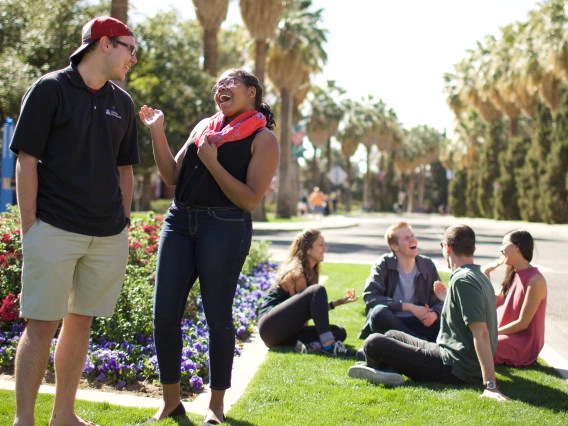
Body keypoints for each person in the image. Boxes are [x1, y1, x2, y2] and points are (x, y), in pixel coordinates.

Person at [9, 16, 139, 426]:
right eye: (129, 48)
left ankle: (63, 415)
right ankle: (24, 421)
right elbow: (26, 161)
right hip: (54, 228)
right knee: (41, 325)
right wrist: (30, 228)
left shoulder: (123, 102)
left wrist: (124, 222)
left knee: (80, 323)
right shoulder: (50, 89)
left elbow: (126, 171)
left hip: (106, 234)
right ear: (103, 44)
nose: (133, 58)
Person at [138, 69, 280, 425]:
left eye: (229, 83)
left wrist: (213, 163)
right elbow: (171, 176)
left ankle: (215, 407)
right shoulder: (205, 128)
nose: (221, 88)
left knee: (217, 316)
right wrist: (157, 130)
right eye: (218, 85)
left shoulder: (264, 139)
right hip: (180, 222)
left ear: (252, 92)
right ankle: (171, 402)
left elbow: (249, 200)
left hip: (226, 226)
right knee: (164, 313)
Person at [349, 225, 509, 402]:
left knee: (373, 342)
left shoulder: (462, 279)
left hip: (454, 368)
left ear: (447, 247)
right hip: (447, 354)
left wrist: (490, 385)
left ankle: (380, 364)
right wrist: (445, 298)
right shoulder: (476, 275)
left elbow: (481, 332)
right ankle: (383, 363)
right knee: (391, 335)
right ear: (473, 249)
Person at [258, 229, 358, 356]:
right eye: (321, 245)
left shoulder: (311, 272)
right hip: (270, 327)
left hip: (283, 333)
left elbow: (307, 313)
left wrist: (337, 303)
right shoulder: (297, 273)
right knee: (317, 290)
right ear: (308, 249)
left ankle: (313, 346)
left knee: (339, 331)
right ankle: (328, 346)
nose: (325, 249)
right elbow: (303, 315)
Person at [359, 222, 442, 343]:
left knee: (451, 321)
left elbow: (439, 300)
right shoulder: (383, 264)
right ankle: (421, 344)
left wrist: (434, 314)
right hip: (393, 322)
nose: (413, 240)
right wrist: (410, 308)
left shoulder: (427, 265)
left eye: (412, 235)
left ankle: (412, 344)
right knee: (378, 314)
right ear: (394, 247)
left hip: (419, 323)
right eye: (406, 238)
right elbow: (370, 297)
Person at [483, 230, 547, 366]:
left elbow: (522, 323)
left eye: (504, 244)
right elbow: (492, 303)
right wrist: (486, 273)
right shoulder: (513, 273)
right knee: (474, 342)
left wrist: (492, 333)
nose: (501, 249)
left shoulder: (535, 280)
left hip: (522, 342)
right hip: (503, 334)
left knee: (480, 348)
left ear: (516, 247)